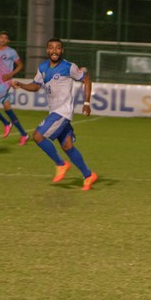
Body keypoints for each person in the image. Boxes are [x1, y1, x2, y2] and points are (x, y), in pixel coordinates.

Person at [11, 38, 98, 191]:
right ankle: (88, 175)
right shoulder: (43, 67)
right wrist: (21, 85)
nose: (54, 51)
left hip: (62, 112)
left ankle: (61, 164)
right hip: (54, 110)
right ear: (47, 50)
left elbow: (86, 79)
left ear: (62, 50)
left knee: (38, 136)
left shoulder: (68, 67)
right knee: (67, 146)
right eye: (51, 47)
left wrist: (87, 103)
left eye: (58, 48)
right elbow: (35, 86)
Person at [0, 31, 29, 145]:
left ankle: (6, 123)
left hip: (5, 82)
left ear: (8, 41)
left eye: (5, 38)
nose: (3, 39)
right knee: (8, 109)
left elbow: (21, 65)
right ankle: (24, 134)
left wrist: (10, 74)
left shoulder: (11, 52)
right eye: (1, 37)